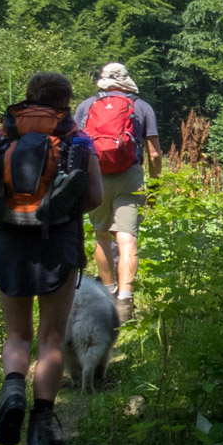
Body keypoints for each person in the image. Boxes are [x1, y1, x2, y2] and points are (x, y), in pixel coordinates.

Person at [0, 72, 104, 445]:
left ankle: (13, 392)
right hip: (58, 243)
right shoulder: (79, 140)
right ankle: (40, 435)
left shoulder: (4, 135)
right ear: (66, 102)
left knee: (17, 335)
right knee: (52, 338)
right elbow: (95, 197)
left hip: (8, 241)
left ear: (29, 97)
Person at [73, 62, 162, 318]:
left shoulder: (87, 106)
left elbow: (76, 145)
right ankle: (125, 301)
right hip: (129, 176)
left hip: (96, 174)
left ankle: (109, 294)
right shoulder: (141, 106)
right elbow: (154, 153)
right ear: (126, 80)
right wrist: (155, 185)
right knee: (127, 238)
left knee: (101, 235)